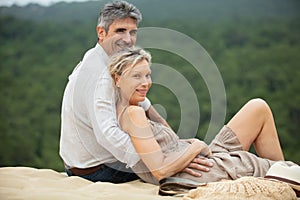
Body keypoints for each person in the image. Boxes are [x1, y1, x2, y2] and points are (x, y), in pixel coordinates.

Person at [59, 1, 211, 183]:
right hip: (95, 171)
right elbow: (107, 135)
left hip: (97, 164)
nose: (129, 39)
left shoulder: (113, 60)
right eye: (120, 31)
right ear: (101, 32)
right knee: (192, 170)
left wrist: (176, 147)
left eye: (133, 32)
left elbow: (148, 109)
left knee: (187, 160)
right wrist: (161, 160)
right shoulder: (99, 75)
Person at [108, 47, 298, 186]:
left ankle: (281, 175)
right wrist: (197, 145)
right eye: (137, 76)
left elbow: (162, 144)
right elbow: (160, 170)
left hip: (195, 156)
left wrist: (190, 146)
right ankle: (281, 179)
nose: (146, 83)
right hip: (197, 171)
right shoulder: (134, 114)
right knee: (273, 168)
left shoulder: (132, 108)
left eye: (148, 75)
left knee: (258, 107)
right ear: (117, 79)